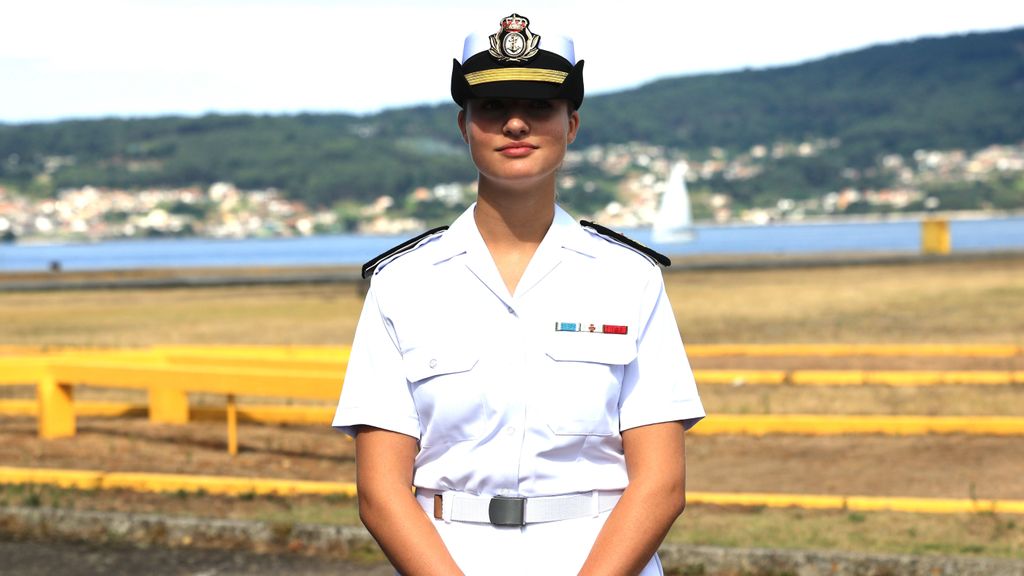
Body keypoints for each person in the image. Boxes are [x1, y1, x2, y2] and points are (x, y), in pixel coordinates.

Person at [333, 13, 704, 575]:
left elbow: (662, 484)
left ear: (571, 124)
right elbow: (380, 493)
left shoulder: (629, 278)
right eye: (492, 108)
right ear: (464, 126)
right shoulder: (402, 283)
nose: (514, 124)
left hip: (602, 559)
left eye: (538, 108)